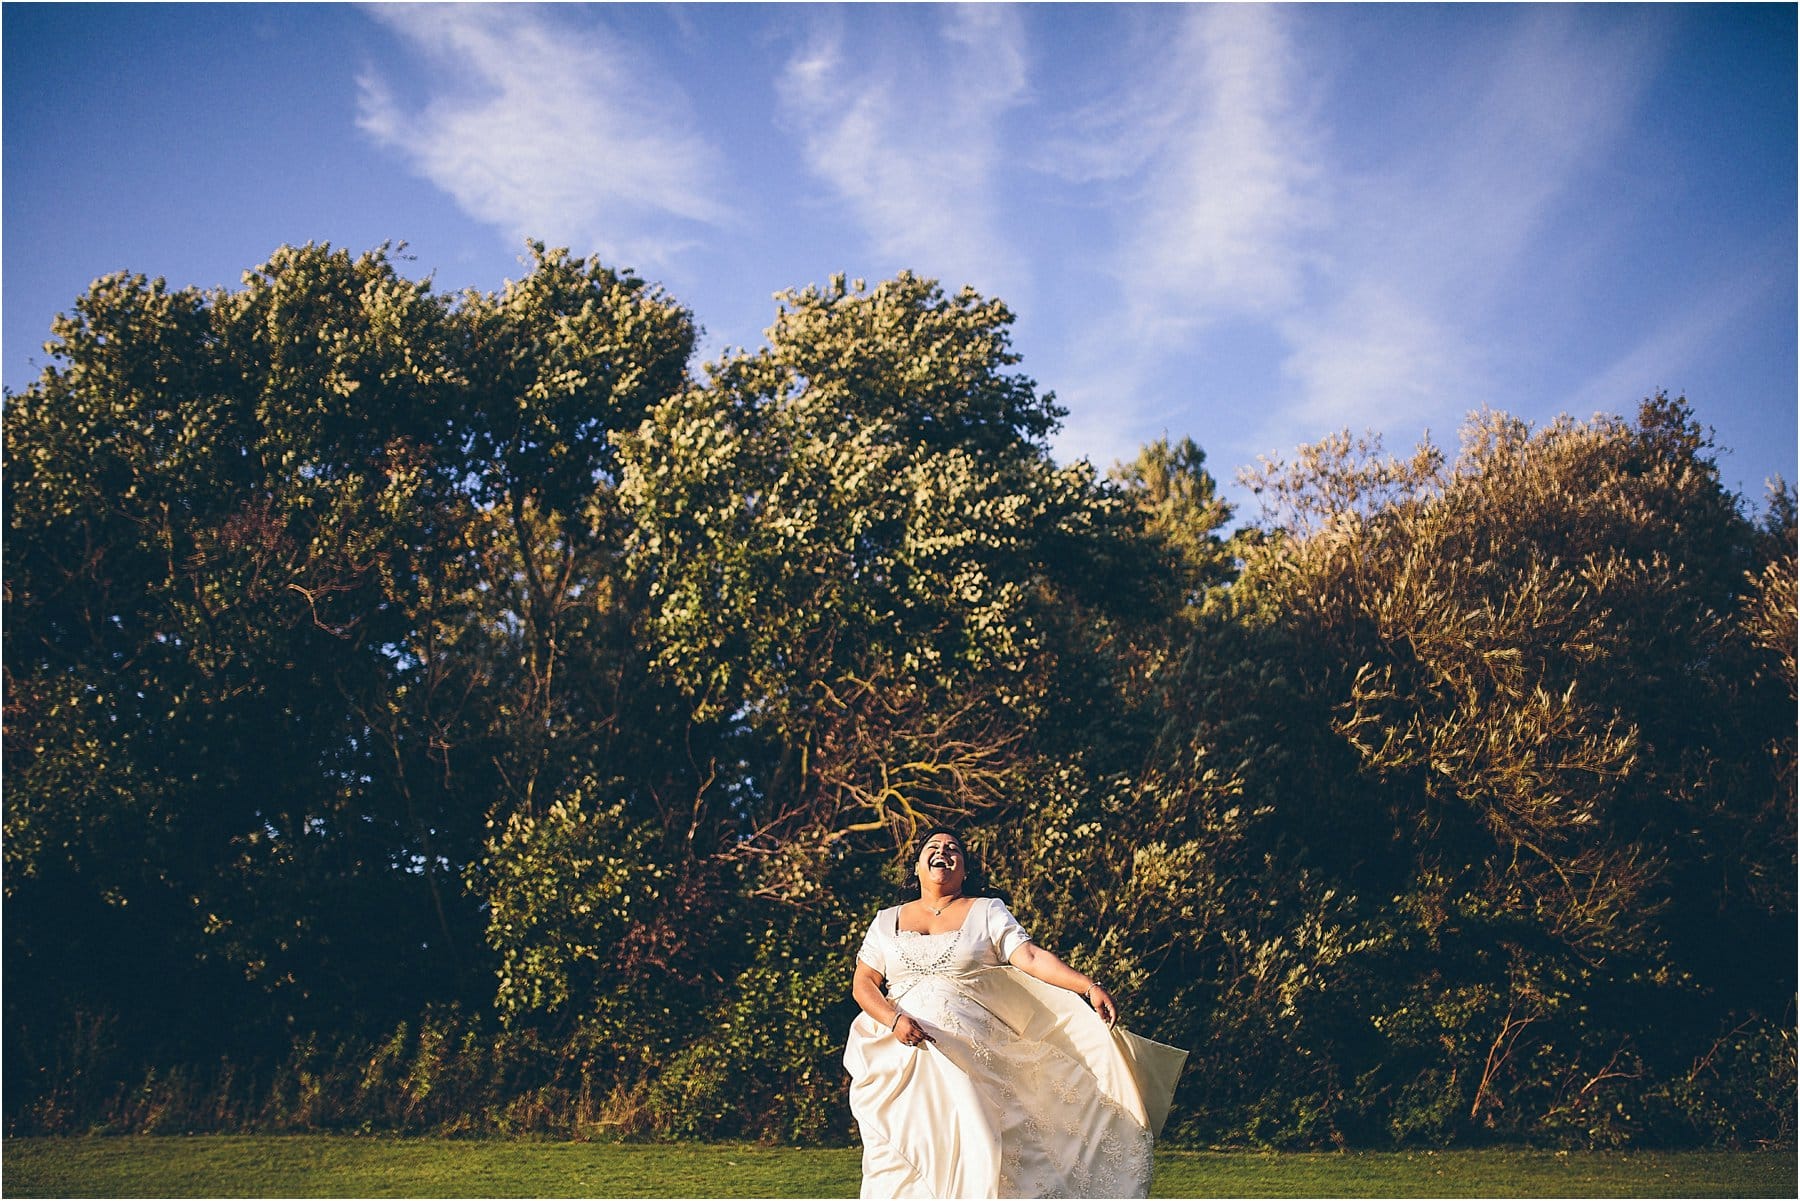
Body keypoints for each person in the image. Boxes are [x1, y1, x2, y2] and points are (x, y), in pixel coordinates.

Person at [844, 826, 1187, 1199]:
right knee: (898, 1160)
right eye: (934, 846)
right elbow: (863, 983)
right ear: (916, 866)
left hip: (969, 1057)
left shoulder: (986, 911)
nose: (943, 851)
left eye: (953, 848)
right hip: (900, 1063)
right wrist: (893, 1019)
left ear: (965, 871)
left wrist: (1087, 986)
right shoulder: (885, 921)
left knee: (980, 1150)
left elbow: (1032, 957)